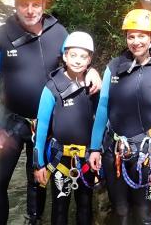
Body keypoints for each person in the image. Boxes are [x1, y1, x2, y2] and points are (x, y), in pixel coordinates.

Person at [0, 0, 101, 225]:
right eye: (24, 4)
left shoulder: (57, 32)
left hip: (47, 124)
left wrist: (93, 71)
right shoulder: (1, 36)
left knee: (38, 181)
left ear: (43, 4)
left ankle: (33, 221)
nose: (30, 10)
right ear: (15, 5)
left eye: (35, 4)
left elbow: (76, 59)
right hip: (11, 122)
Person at [87, 9, 151, 225]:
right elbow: (102, 107)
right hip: (114, 150)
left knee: (146, 214)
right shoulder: (114, 67)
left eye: (141, 35)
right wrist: (94, 148)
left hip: (146, 153)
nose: (136, 41)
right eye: (131, 36)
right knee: (120, 211)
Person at [33, 31, 99, 225]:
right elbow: (42, 126)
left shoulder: (93, 86)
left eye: (83, 56)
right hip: (60, 157)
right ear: (64, 56)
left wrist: (100, 152)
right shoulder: (52, 87)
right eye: (73, 55)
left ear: (89, 60)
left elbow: (102, 120)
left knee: (85, 206)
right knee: (60, 208)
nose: (77, 61)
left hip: (86, 157)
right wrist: (39, 163)